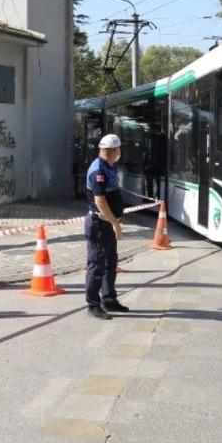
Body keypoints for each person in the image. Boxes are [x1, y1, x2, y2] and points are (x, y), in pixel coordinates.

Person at [84, 134, 127, 318]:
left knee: (110, 263)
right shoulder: (98, 171)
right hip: (100, 223)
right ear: (111, 151)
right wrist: (115, 224)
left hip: (107, 222)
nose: (119, 153)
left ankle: (109, 299)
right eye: (117, 150)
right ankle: (93, 305)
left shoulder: (109, 167)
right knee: (97, 265)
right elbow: (100, 201)